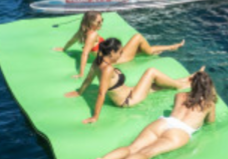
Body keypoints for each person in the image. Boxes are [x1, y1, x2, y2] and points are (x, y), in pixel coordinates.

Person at [85, 70, 217, 159]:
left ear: (192, 83)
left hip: (163, 123)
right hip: (180, 132)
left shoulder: (179, 96)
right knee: (146, 153)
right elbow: (210, 123)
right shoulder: (209, 104)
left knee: (132, 148)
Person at [66, 37, 200, 124]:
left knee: (159, 83)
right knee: (151, 72)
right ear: (111, 53)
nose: (121, 54)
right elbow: (101, 93)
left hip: (130, 92)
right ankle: (182, 85)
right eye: (119, 52)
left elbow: (88, 80)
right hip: (128, 100)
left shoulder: (98, 62)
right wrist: (95, 116)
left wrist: (79, 92)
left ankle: (188, 79)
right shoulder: (107, 70)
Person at [55, 12, 185, 78]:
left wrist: (64, 49)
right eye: (99, 22)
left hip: (114, 53)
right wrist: (81, 73)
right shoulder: (92, 35)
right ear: (91, 23)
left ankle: (167, 48)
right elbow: (84, 53)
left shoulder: (83, 32)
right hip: (118, 58)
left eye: (102, 21)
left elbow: (72, 41)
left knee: (143, 48)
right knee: (139, 38)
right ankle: (171, 47)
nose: (101, 24)